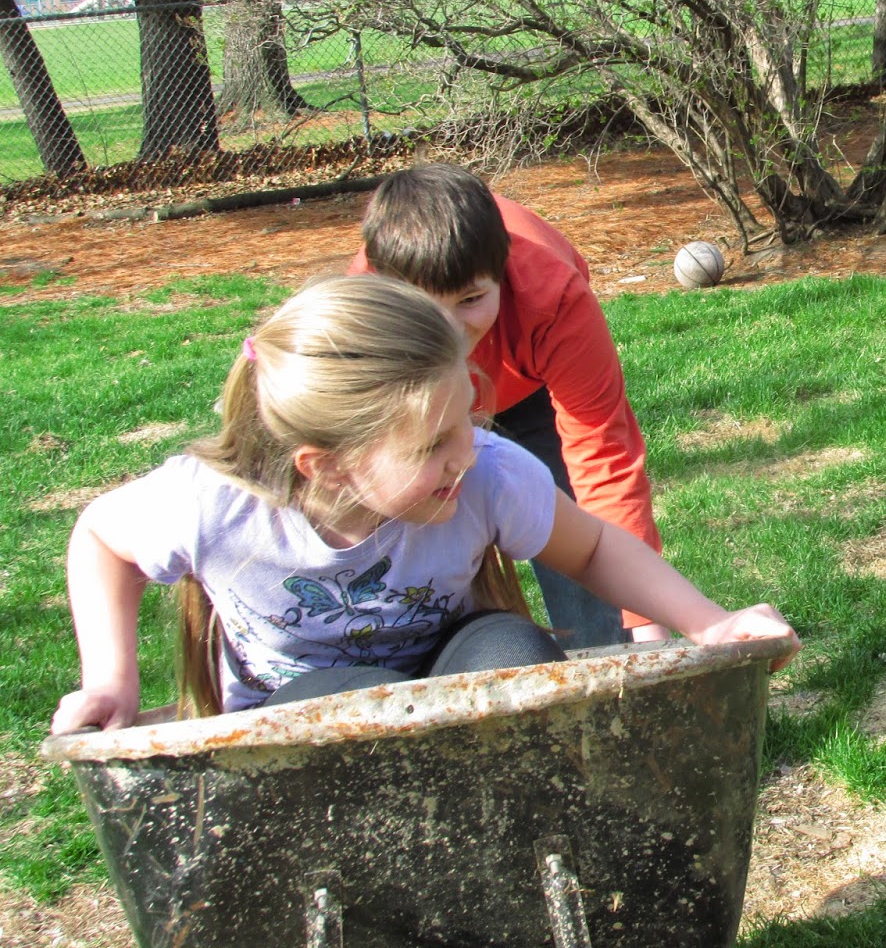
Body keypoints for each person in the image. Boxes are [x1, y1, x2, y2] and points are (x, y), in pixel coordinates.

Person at [51, 274, 798, 731]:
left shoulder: (484, 473)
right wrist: (111, 680)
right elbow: (102, 539)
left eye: (467, 419)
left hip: (453, 671)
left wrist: (710, 622)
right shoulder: (215, 506)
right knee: (358, 707)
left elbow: (595, 547)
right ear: (326, 466)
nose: (466, 453)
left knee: (518, 660)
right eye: (432, 444)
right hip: (300, 728)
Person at [353, 163, 666, 651]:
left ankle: (605, 658)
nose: (451, 331)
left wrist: (649, 629)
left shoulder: (555, 298)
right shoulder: (364, 312)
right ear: (384, 287)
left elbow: (603, 455)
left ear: (502, 274)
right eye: (427, 306)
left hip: (529, 388)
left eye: (470, 299)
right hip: (418, 390)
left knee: (572, 523)